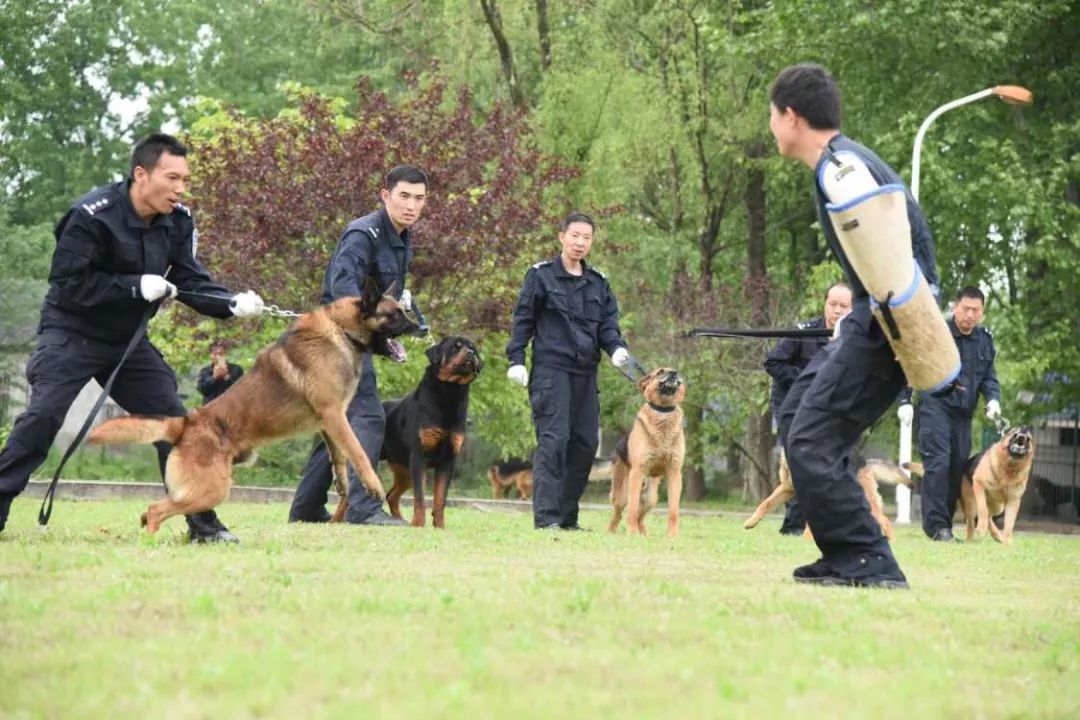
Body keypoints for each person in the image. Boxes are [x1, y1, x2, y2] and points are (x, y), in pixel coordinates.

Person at [0, 133, 265, 542]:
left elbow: (189, 277)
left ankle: (202, 523)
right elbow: (68, 283)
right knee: (44, 416)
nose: (180, 188)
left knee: (177, 425)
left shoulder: (179, 219)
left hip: (126, 341)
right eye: (171, 177)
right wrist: (132, 286)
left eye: (185, 180)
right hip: (71, 332)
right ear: (141, 174)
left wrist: (229, 303)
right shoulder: (91, 215)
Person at [768, 63, 944, 588]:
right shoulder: (845, 161)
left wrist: (888, 328)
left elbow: (896, 251)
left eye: (773, 117)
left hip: (885, 325)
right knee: (805, 423)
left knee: (810, 440)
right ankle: (845, 553)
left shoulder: (840, 169)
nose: (772, 128)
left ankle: (868, 558)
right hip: (879, 321)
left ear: (791, 116)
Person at [288, 165, 429, 526]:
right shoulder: (362, 234)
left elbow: (378, 291)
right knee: (368, 415)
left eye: (419, 198)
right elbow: (343, 293)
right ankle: (364, 509)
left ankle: (305, 508)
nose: (411, 205)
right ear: (386, 196)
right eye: (404, 196)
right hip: (335, 341)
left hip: (353, 342)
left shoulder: (401, 235)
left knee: (341, 418)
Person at [506, 211, 631, 531]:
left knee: (585, 443)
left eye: (586, 237)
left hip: (585, 374)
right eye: (574, 235)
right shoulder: (541, 276)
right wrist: (516, 359)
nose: (580, 242)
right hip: (551, 372)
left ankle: (566, 517)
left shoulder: (598, 283)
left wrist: (616, 348)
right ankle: (546, 518)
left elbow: (607, 325)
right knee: (554, 440)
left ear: (592, 242)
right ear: (561, 236)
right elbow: (523, 320)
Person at [897, 286, 1001, 542]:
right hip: (936, 407)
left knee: (957, 467)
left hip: (963, 414)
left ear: (982, 312)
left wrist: (993, 400)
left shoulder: (984, 340)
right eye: (965, 308)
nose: (969, 314)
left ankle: (945, 524)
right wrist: (905, 399)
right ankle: (936, 527)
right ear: (955, 306)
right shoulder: (936, 332)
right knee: (938, 464)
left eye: (975, 310)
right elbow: (912, 363)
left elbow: (988, 376)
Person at [765, 281, 852, 535]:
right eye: (832, 304)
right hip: (791, 404)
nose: (836, 311)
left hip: (825, 408)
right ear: (824, 304)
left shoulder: (853, 339)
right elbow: (772, 362)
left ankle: (821, 524)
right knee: (798, 460)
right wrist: (806, 378)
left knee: (821, 463)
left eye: (843, 306)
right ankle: (793, 525)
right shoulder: (803, 331)